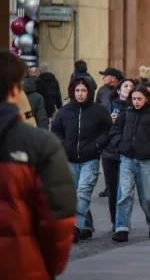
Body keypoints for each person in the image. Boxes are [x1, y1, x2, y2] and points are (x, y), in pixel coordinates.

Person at [0, 50, 76, 280]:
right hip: (19, 267)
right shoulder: (39, 144)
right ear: (15, 89)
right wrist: (48, 266)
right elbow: (57, 219)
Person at [51, 76, 112, 242]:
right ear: (72, 92)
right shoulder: (65, 111)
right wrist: (62, 145)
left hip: (90, 158)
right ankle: (87, 225)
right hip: (70, 159)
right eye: (77, 90)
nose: (80, 94)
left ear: (89, 92)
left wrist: (97, 145)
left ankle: (75, 227)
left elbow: (107, 131)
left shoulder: (98, 111)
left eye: (83, 90)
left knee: (83, 192)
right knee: (75, 194)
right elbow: (55, 130)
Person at [109, 85, 150, 242]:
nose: (136, 102)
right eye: (134, 98)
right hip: (127, 158)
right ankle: (122, 228)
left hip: (147, 161)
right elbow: (115, 130)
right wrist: (120, 144)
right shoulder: (126, 113)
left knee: (148, 197)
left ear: (146, 99)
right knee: (125, 193)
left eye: (139, 99)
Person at [99, 79, 135, 218]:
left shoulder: (135, 107)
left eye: (132, 86)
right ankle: (115, 220)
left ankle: (123, 221)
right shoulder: (108, 106)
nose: (129, 88)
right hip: (109, 152)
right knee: (113, 189)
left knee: (126, 190)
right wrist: (109, 120)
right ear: (119, 90)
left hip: (128, 152)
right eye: (126, 86)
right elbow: (100, 126)